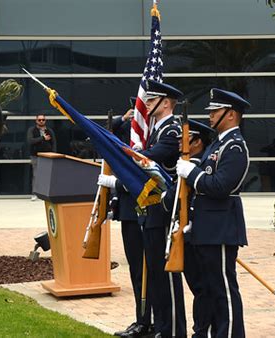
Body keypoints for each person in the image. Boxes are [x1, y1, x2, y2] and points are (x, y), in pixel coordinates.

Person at [175, 88, 250, 337]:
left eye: (215, 111)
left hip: (221, 227)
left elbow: (220, 186)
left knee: (224, 289)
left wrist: (191, 173)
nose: (210, 116)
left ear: (230, 115)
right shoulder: (219, 144)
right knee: (211, 287)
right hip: (207, 226)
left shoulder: (235, 147)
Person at [98, 108, 154, 337]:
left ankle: (149, 322)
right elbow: (107, 135)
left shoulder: (151, 138)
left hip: (144, 209)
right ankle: (141, 319)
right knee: (136, 270)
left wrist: (116, 185)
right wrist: (122, 119)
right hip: (129, 211)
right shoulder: (129, 133)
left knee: (147, 271)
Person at [141, 80, 187, 338]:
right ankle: (162, 327)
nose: (146, 104)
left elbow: (155, 156)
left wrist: (129, 154)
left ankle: (172, 330)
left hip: (165, 208)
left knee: (166, 273)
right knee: (157, 272)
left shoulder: (171, 129)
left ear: (166, 103)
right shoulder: (156, 128)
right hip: (152, 207)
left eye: (151, 99)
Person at [162, 119, 215, 337]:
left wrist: (167, 195)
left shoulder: (197, 165)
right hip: (187, 233)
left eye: (185, 139)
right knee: (199, 288)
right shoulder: (189, 164)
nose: (179, 144)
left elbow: (171, 200)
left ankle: (202, 331)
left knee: (203, 289)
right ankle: (201, 330)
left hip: (197, 233)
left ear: (196, 141)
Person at [27, 114, 57, 200]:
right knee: (36, 175)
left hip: (47, 156)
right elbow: (30, 141)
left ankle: (45, 194)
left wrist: (53, 154)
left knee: (47, 176)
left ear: (45, 121)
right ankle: (35, 194)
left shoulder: (49, 131)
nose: (41, 121)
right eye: (39, 120)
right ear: (36, 121)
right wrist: (42, 138)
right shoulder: (32, 130)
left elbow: (54, 143)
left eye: (43, 120)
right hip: (36, 156)